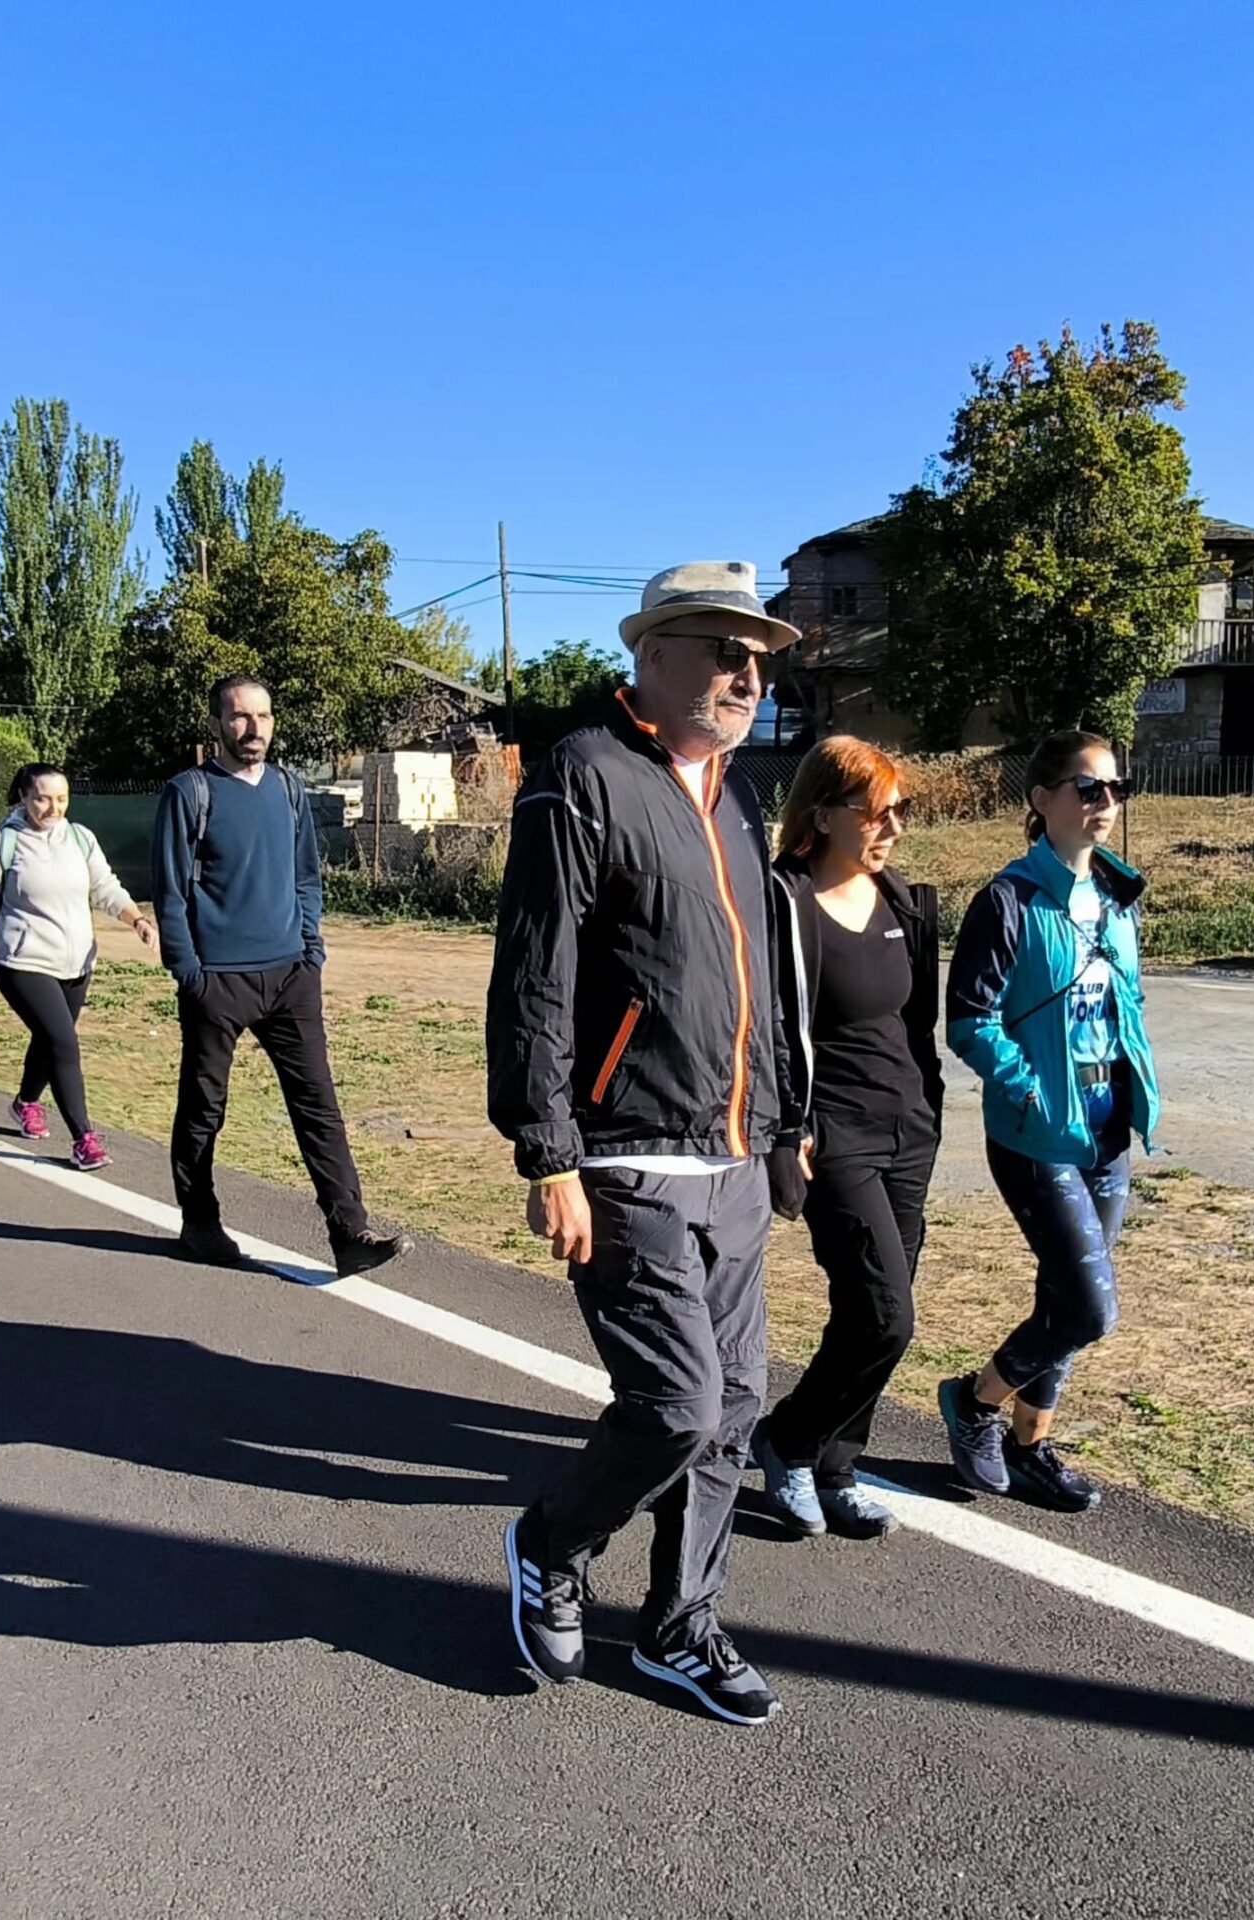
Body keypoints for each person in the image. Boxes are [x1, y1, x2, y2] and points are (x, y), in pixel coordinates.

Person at [488, 560, 804, 1727]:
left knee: (731, 1413)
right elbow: (536, 975)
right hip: (624, 1155)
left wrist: (778, 1130)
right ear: (651, 654)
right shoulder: (584, 774)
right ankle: (552, 1542)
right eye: (723, 650)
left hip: (730, 1158)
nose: (745, 674)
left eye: (758, 658)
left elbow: (755, 985)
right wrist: (549, 1153)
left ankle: (680, 1625)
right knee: (673, 1405)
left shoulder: (731, 796)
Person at [935, 729, 1162, 1513]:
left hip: (1106, 1131)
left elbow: (1124, 1006)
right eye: (1087, 788)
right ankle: (976, 1402)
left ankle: (1032, 1447)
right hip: (1036, 1136)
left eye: (1115, 788)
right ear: (1042, 800)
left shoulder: (1115, 898)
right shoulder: (1008, 899)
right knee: (1091, 1309)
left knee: (1061, 1301)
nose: (1105, 803)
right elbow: (968, 1018)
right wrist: (1027, 1090)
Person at [749, 736, 944, 1543]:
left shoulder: (902, 899)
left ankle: (837, 1466)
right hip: (834, 1138)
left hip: (909, 1132)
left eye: (899, 811)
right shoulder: (781, 902)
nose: (891, 827)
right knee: (884, 1316)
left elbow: (915, 1024)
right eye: (875, 812)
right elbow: (757, 1030)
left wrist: (930, 1109)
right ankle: (788, 1440)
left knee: (869, 1311)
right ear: (823, 813)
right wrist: (786, 1127)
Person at [150, 676, 406, 1275]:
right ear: (218, 723)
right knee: (204, 1107)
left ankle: (349, 1232)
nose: (254, 728)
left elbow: (307, 876)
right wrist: (192, 975)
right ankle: (200, 1222)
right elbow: (169, 894)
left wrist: (310, 948)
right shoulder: (190, 793)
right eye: (240, 717)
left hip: (290, 976)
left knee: (318, 1103)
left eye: (263, 716)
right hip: (219, 983)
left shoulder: (289, 789)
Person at [0, 761, 157, 1172]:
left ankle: (25, 1102)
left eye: (61, 798)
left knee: (51, 1041)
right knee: (64, 1043)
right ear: (24, 797)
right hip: (23, 962)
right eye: (43, 798)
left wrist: (136, 919)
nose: (53, 807)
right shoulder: (2, 843)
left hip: (76, 963)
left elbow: (106, 887)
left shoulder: (80, 839)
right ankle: (84, 1138)